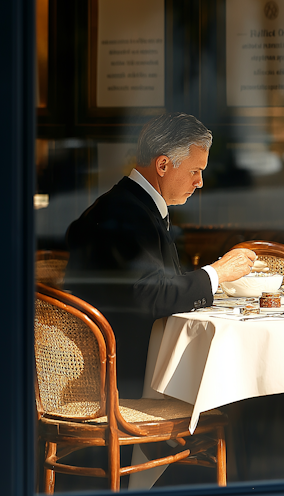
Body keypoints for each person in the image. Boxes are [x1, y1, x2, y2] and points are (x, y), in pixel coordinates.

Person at [66, 112, 256, 392]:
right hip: (120, 379)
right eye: (195, 171)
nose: (200, 182)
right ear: (163, 165)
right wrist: (217, 273)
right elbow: (151, 295)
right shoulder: (123, 215)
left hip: (132, 363)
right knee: (239, 382)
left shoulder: (130, 205)